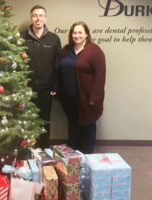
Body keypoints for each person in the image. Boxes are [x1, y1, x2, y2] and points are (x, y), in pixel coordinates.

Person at [56, 21, 106, 154]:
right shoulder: (66, 50)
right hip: (68, 97)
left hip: (86, 98)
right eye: (74, 32)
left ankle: (86, 155)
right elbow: (58, 69)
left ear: (86, 35)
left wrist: (94, 98)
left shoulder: (94, 50)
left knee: (87, 126)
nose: (77, 35)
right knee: (72, 125)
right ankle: (73, 155)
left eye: (80, 32)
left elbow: (100, 76)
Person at [22, 5, 61, 148]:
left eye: (41, 15)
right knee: (27, 120)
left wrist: (56, 86)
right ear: (31, 18)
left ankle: (44, 148)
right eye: (35, 15)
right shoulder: (22, 38)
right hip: (27, 88)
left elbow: (58, 64)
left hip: (46, 88)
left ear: (45, 18)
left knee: (45, 121)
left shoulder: (54, 39)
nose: (38, 19)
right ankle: (29, 149)